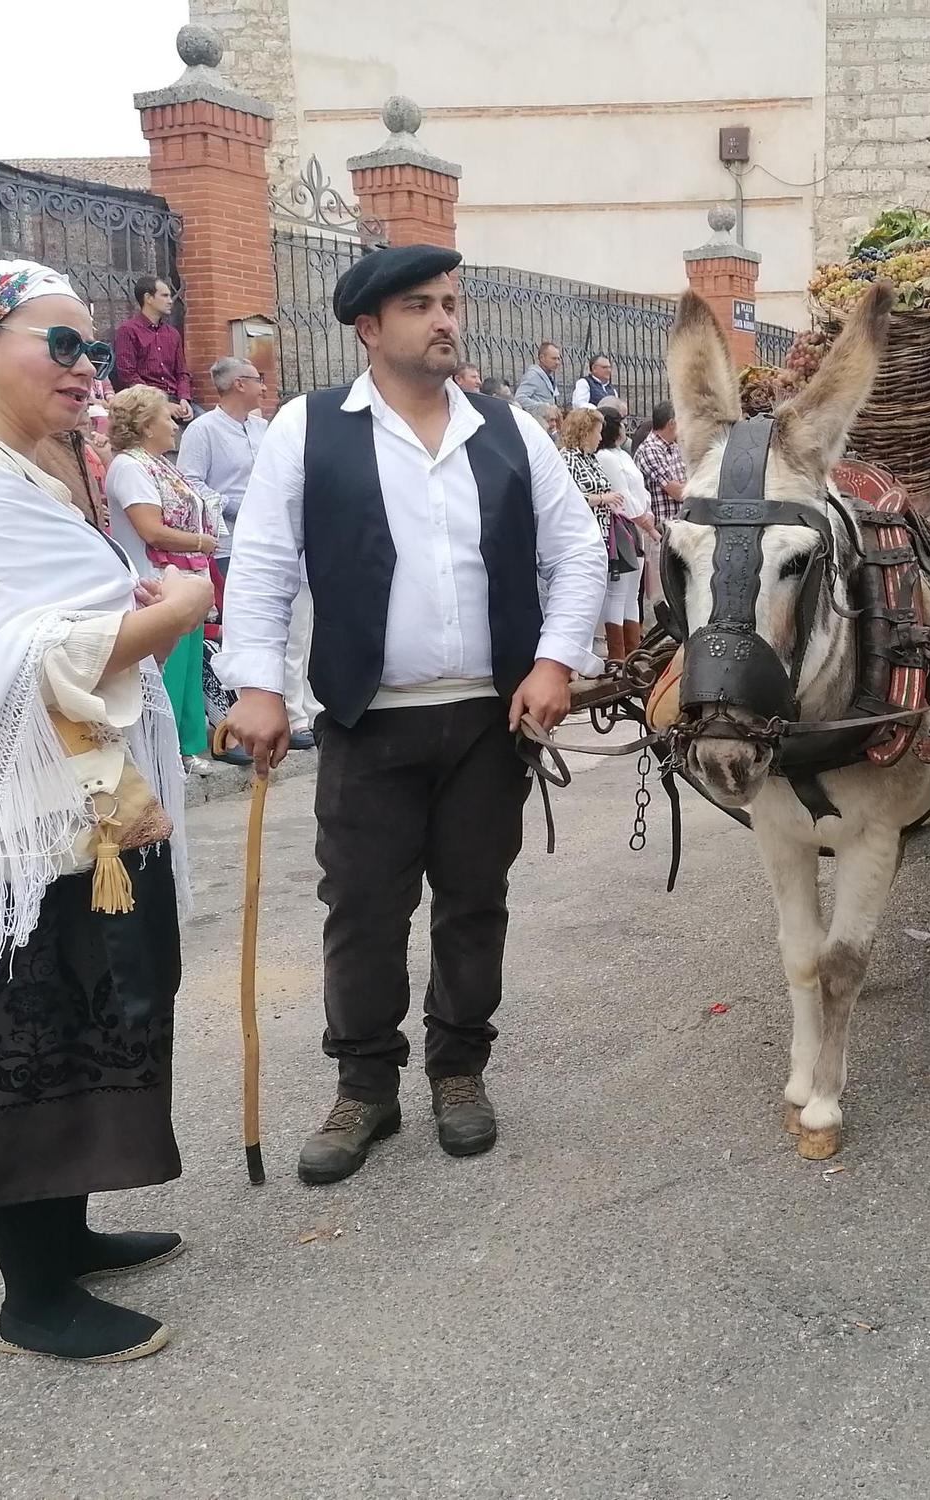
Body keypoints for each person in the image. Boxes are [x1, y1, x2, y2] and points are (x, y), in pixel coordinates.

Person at [0, 258, 214, 1363]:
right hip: (9, 827)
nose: (85, 370)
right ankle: (32, 1292)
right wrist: (178, 610)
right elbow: (16, 653)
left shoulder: (18, 470)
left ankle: (65, 1238)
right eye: (57, 345)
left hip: (71, 804)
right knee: (19, 1031)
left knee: (86, 1015)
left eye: (94, 351)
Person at [216, 245, 608, 1185]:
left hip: (486, 721)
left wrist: (556, 661)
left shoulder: (510, 431)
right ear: (368, 327)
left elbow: (580, 551)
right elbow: (264, 564)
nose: (445, 320)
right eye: (421, 306)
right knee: (361, 909)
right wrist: (258, 685)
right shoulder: (307, 432)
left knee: (475, 903)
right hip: (368, 719)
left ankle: (460, 1071)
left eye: (450, 303)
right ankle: (364, 1086)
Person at [178, 357, 316, 757]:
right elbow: (189, 484)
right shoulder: (203, 430)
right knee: (253, 629)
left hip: (287, 544)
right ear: (239, 384)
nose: (263, 385)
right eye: (258, 379)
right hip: (232, 545)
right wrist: (240, 504)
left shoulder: (264, 428)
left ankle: (303, 706)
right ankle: (272, 712)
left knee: (301, 633)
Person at [105, 385, 220, 772]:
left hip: (183, 577)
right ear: (145, 424)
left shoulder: (158, 464)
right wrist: (203, 540)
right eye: (165, 417)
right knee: (167, 672)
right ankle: (164, 753)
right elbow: (151, 530)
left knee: (188, 670)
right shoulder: (130, 467)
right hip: (155, 582)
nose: (174, 425)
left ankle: (188, 747)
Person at [593, 405, 656, 660]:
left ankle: (633, 651)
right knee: (618, 594)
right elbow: (622, 496)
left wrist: (646, 512)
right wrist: (645, 522)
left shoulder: (622, 455)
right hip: (622, 526)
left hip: (635, 524)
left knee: (632, 593)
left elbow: (638, 490)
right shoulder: (606, 457)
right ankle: (618, 655)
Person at [110, 275, 191, 427]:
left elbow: (182, 372)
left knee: (207, 429)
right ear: (148, 298)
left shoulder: (172, 334)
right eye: (164, 295)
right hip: (143, 401)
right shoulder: (128, 331)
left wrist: (184, 399)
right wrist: (160, 403)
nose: (170, 300)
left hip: (175, 399)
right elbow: (128, 375)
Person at [633, 399, 686, 523]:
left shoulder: (674, 446)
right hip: (663, 528)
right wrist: (698, 487)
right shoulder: (650, 450)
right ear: (672, 423)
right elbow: (677, 492)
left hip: (680, 524)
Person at [514, 340, 562, 416]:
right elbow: (519, 399)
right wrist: (545, 408)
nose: (557, 362)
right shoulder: (532, 376)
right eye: (553, 358)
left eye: (558, 359)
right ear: (542, 358)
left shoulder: (549, 377)